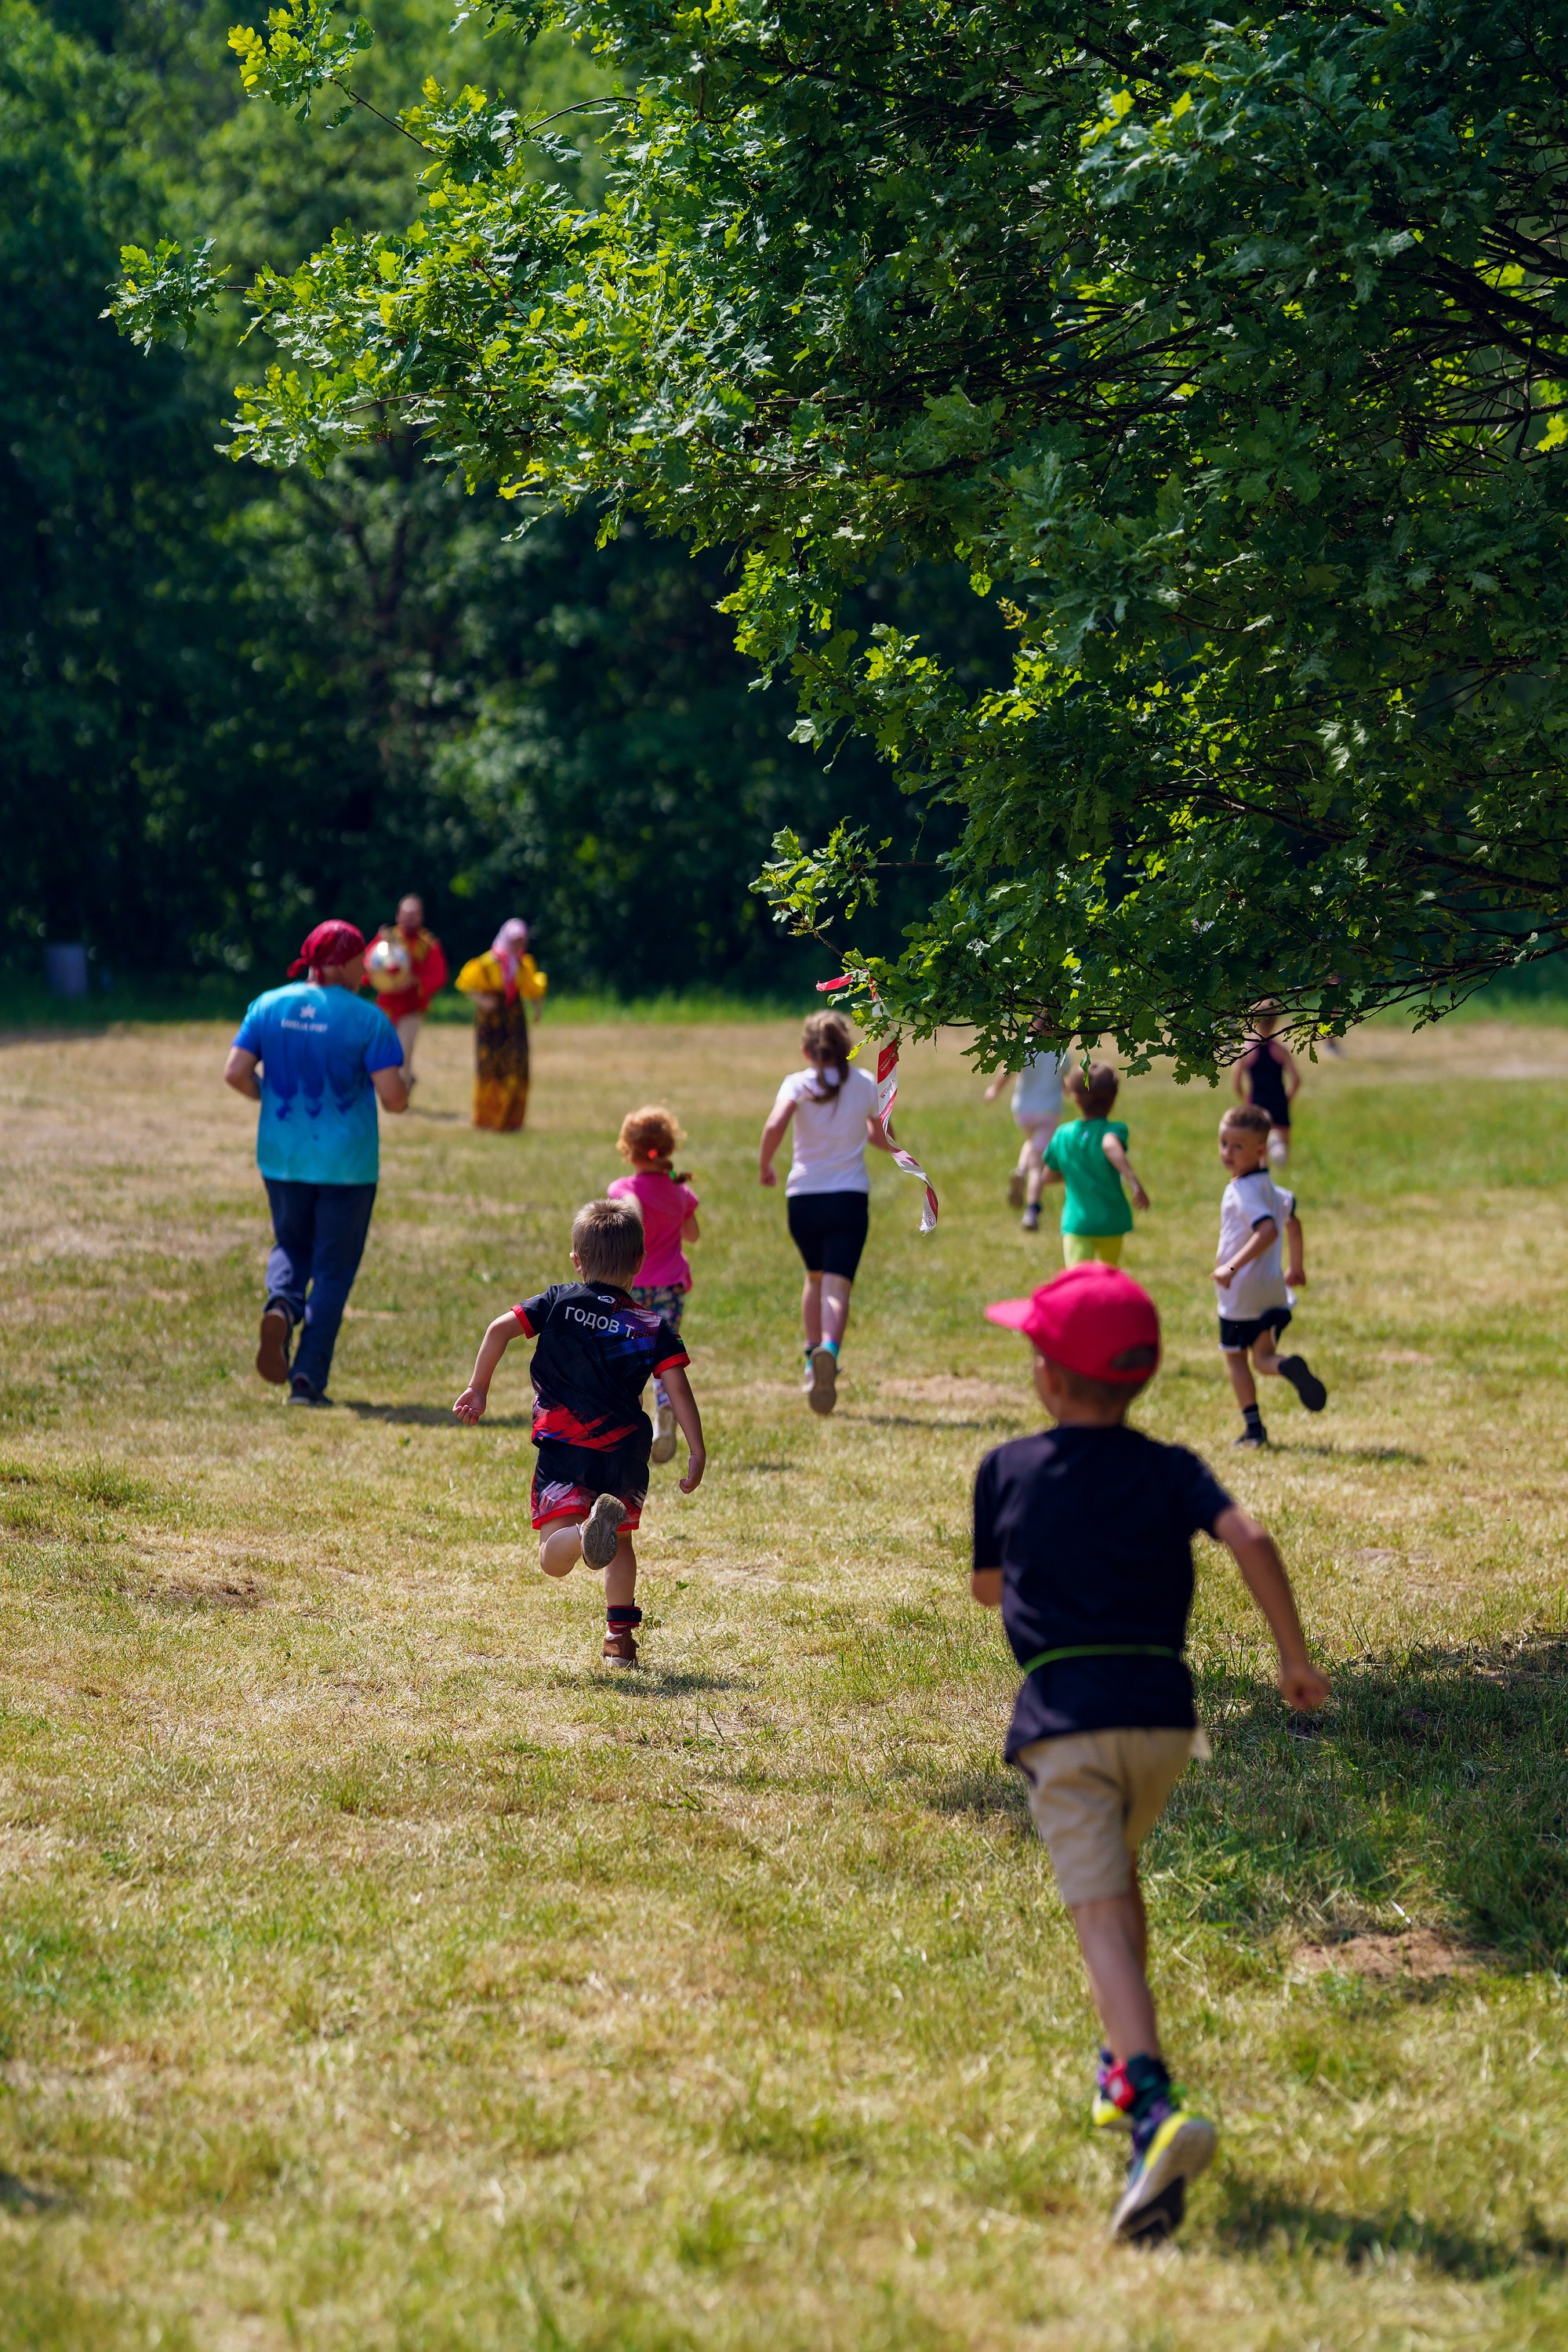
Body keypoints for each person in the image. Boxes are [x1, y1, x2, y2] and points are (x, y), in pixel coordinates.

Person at [973, 1262, 1329, 2239]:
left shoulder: (1006, 1468)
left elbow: (985, 1587)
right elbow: (1249, 1539)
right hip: (1165, 1721)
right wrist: (1291, 1659)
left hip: (1064, 1725)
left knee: (1093, 1919)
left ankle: (1154, 2102)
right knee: (1119, 1884)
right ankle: (1115, 2069)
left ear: (1047, 1377)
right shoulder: (1173, 1466)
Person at [452, 1198, 705, 1668]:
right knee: (622, 1543)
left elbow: (497, 1330)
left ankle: (585, 1530)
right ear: (639, 1263)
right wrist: (696, 1448)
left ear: (576, 1259)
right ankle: (619, 1642)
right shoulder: (652, 1326)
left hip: (565, 1445)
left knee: (552, 1558)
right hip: (624, 1450)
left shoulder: (557, 1301)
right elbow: (677, 1388)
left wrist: (478, 1388)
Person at [223, 919, 408, 1406]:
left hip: (281, 1157)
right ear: (344, 962)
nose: (364, 971)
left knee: (290, 1244)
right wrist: (407, 1087)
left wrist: (269, 1098)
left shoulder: (268, 1005)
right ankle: (307, 1379)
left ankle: (282, 1304)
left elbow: (236, 1073)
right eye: (359, 961)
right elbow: (393, 1098)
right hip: (347, 1165)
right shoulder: (368, 1019)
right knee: (332, 1269)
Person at [759, 1008, 901, 1417]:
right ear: (847, 1048)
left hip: (803, 1198)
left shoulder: (796, 1084)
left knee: (814, 1279)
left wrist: (766, 1165)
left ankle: (810, 1361)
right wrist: (897, 1145)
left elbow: (774, 1126)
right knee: (837, 1289)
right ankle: (830, 1351)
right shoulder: (864, 1084)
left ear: (806, 1050)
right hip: (848, 1198)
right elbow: (879, 1135)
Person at [1214, 1102, 1328, 1446]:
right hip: (1273, 1290)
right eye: (1224, 1143)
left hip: (1241, 1292)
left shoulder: (1241, 1191)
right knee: (1263, 1358)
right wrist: (1296, 1266)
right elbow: (1292, 1224)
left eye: (1238, 1146)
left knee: (1236, 1359)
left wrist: (1230, 1267)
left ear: (1260, 1151)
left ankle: (1253, 1429)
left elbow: (1268, 1231)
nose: (1228, 1152)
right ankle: (1286, 1365)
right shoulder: (1276, 1192)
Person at [608, 1105, 700, 1466]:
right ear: (668, 1148)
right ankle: (666, 1406)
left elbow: (629, 1219)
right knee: (664, 1357)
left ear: (628, 1149)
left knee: (629, 1357)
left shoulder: (623, 1187)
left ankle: (626, 1424)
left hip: (630, 1288)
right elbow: (693, 1235)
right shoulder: (679, 1190)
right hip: (670, 1288)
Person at [1040, 1062, 1149, 1262]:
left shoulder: (1063, 1135)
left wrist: (1074, 1172)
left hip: (1078, 1224)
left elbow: (1047, 1177)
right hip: (1112, 1222)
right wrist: (1132, 1180)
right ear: (1113, 1098)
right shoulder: (1114, 1130)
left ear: (1076, 1099)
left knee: (1079, 1282)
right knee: (1107, 1280)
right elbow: (1109, 1145)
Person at [455, 918, 547, 1131]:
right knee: (490, 1066)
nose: (518, 945)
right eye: (515, 940)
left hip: (514, 1020)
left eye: (522, 941)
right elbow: (465, 983)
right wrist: (482, 1001)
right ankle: (488, 1118)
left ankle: (512, 1118)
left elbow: (534, 988)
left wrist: (538, 1009)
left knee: (516, 1064)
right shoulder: (487, 963)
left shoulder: (524, 964)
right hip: (491, 1022)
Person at [983, 1036, 1072, 1230]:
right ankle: (1031, 1212)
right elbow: (1064, 1078)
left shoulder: (1025, 1045)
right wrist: (1070, 1092)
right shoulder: (1061, 1049)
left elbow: (1008, 1071)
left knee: (1032, 1144)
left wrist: (994, 1090)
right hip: (1048, 1111)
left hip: (1023, 1111)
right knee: (1038, 1163)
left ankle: (1020, 1171)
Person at [368, 895, 448, 1086]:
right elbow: (369, 964)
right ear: (398, 915)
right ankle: (392, 1085)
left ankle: (400, 1091)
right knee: (379, 1047)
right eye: (406, 914)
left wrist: (415, 981)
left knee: (403, 1048)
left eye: (414, 914)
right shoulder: (386, 939)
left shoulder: (428, 944)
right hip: (387, 1005)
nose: (410, 918)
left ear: (421, 917)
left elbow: (439, 975)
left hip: (412, 1006)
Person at [1233, 1002, 1300, 1165]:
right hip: (1278, 1100)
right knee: (1283, 1147)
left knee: (1259, 1147)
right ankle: (1281, 1164)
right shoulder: (1280, 1051)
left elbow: (1236, 1084)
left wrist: (1246, 1100)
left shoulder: (1246, 1052)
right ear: (1275, 1021)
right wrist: (1287, 1098)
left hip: (1257, 1102)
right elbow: (1296, 1080)